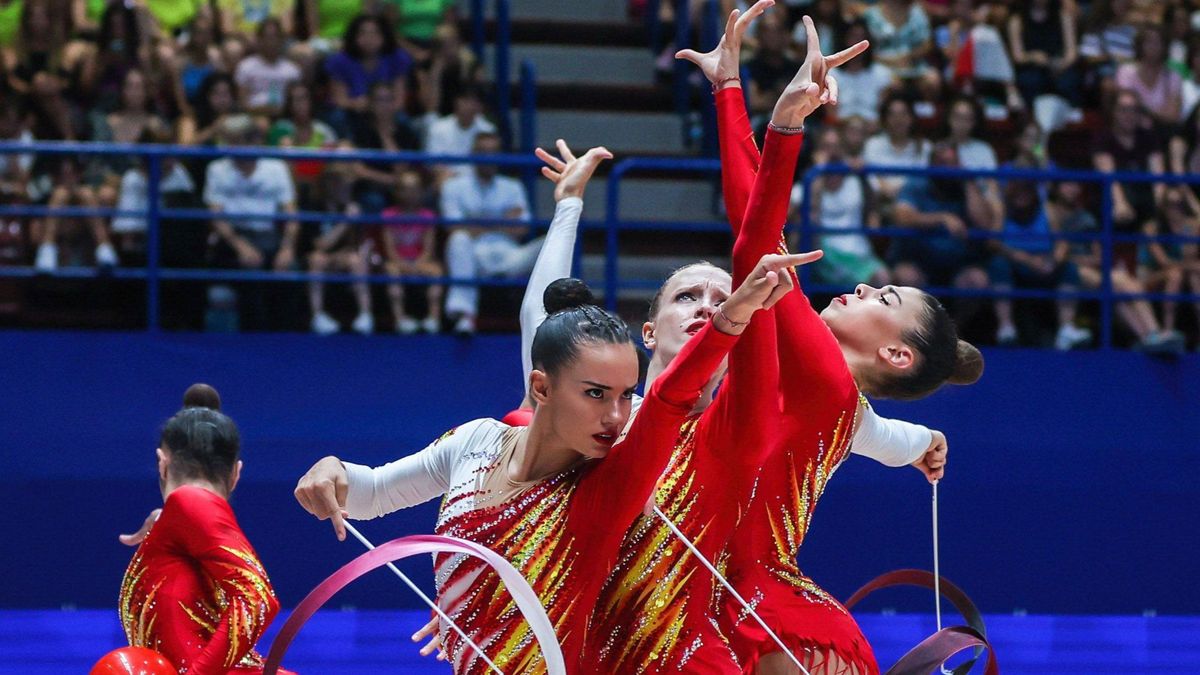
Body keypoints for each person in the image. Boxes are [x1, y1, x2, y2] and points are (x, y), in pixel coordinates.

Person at [294, 250, 800, 674]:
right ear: (541, 388)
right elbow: (367, 494)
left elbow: (667, 403)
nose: (617, 415)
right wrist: (331, 469)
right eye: (598, 394)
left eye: (626, 395)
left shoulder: (608, 484)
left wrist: (734, 318)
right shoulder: (475, 441)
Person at [685, 10, 982, 673]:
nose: (868, 288)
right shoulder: (848, 412)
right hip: (710, 576)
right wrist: (925, 443)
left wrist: (773, 118)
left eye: (887, 300)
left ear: (896, 355)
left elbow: (754, 236)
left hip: (743, 598)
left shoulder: (824, 376)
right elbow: (890, 437)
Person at [118, 387, 294, 674]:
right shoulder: (184, 520)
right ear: (236, 474)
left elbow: (257, 598)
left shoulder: (189, 502)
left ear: (162, 464)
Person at [440, 132, 536, 335]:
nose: (489, 158)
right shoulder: (454, 186)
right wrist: (502, 219)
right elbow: (454, 227)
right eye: (484, 152)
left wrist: (475, 221)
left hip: (509, 256)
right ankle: (465, 317)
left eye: (493, 153)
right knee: (458, 240)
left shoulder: (513, 187)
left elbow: (521, 229)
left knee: (550, 243)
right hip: (473, 256)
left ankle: (548, 320)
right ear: (473, 154)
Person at [380, 170, 444, 334]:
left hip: (420, 261)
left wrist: (418, 264)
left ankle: (433, 318)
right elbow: (390, 250)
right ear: (397, 191)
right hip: (397, 262)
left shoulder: (428, 216)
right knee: (391, 270)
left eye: (415, 188)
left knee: (437, 271)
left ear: (422, 191)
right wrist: (403, 265)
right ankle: (400, 319)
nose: (410, 193)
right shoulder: (388, 215)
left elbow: (429, 249)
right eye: (405, 188)